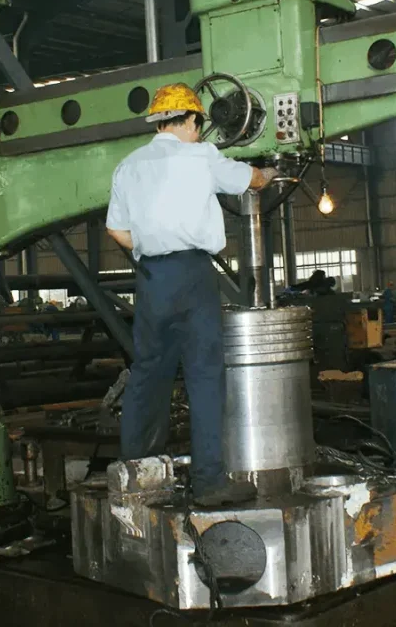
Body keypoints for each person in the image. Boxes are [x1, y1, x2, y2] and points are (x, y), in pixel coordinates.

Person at [106, 82, 278, 507]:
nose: (199, 132)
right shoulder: (202, 157)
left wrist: (151, 250)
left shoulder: (128, 166)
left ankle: (139, 477)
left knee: (148, 373)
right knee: (203, 374)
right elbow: (249, 180)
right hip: (193, 275)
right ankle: (209, 483)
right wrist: (268, 173)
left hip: (151, 278)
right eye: (198, 124)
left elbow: (116, 229)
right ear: (190, 120)